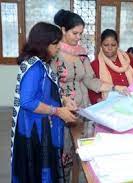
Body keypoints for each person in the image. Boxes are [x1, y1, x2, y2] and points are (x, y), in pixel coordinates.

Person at [51, 9, 128, 181]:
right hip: (63, 112)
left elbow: (91, 80)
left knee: (85, 152)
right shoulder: (54, 54)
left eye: (81, 33)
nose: (78, 37)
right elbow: (50, 85)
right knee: (64, 155)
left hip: (83, 111)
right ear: (63, 30)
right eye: (75, 33)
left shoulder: (82, 54)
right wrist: (62, 101)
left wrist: (115, 87)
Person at [11, 22, 77, 183]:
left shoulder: (41, 64)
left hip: (42, 125)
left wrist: (64, 100)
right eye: (55, 44)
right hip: (35, 130)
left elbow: (45, 93)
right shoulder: (35, 67)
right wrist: (58, 111)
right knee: (39, 171)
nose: (58, 48)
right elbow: (27, 102)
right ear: (43, 44)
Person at [88, 29, 133, 104]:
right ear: (101, 45)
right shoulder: (95, 65)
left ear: (118, 44)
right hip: (109, 105)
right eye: (106, 45)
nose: (109, 48)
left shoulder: (127, 58)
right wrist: (99, 100)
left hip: (131, 100)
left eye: (113, 45)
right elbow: (92, 89)